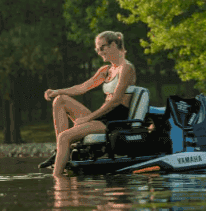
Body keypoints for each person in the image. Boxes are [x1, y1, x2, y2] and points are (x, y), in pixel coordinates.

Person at [39, 31, 137, 176]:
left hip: (113, 122)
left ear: (114, 45)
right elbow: (82, 87)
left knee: (64, 137)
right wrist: (56, 91)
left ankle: (57, 180)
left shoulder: (126, 68)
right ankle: (61, 151)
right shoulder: (106, 70)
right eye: (97, 49)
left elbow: (115, 101)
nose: (99, 52)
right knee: (60, 100)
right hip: (102, 117)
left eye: (102, 48)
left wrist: (88, 118)